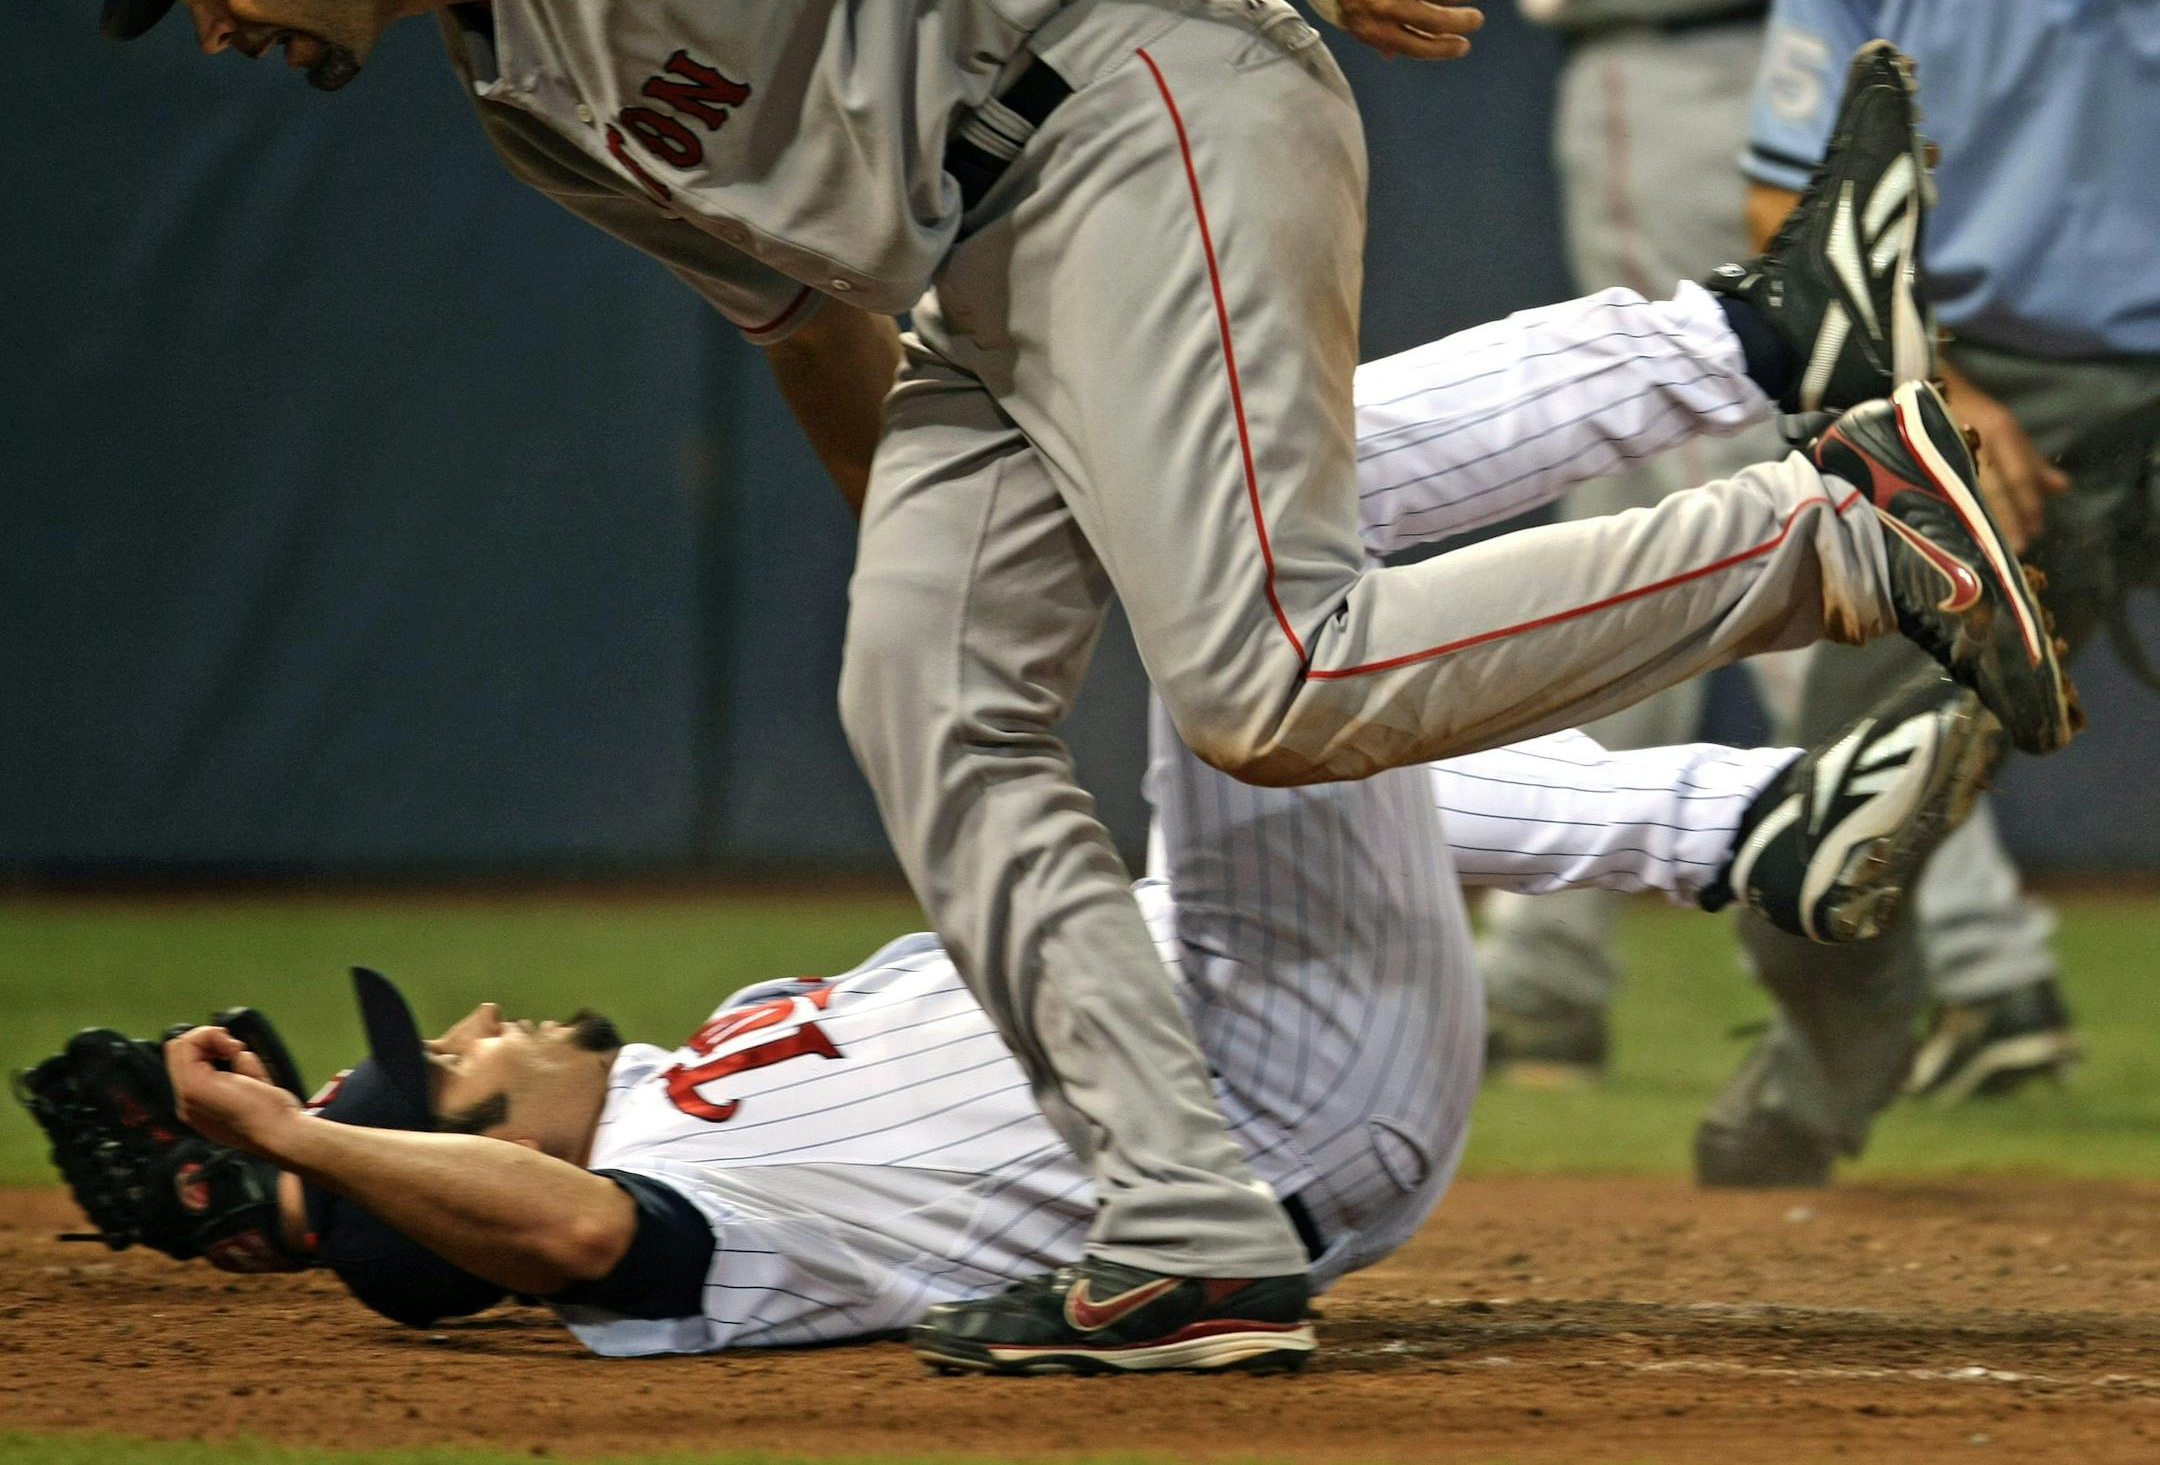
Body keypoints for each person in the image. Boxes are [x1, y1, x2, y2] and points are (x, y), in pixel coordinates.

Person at [71, 0, 2072, 1369]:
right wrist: (963, 584)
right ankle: (1190, 1225)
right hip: (977, 276)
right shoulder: (515, 86)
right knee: (919, 699)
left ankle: (1832, 534)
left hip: (1130, 99)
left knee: (1267, 674)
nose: (221, 24)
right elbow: (807, 324)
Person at [154, 279, 2001, 1365]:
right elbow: (553, 1246)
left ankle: (1756, 811)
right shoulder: (677, 1229)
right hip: (1269, 1119)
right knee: (1237, 605)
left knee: (1245, 564)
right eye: (454, 1065)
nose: (479, 1025)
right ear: (485, 1173)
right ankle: (1791, 453)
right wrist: (322, 1165)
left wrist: (272, 1174)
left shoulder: (684, 1079)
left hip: (1254, 1022)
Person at [1375, 0, 1980, 1085]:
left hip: (1700, 65)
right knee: (1707, 497)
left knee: (1740, 501)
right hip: (1896, 74)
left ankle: (1966, 952)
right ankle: (1559, 971)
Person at [1697, 0, 2160, 1184]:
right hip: (1967, 385)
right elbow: (1784, 202)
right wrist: (1936, 388)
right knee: (1818, 852)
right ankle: (1814, 1095)